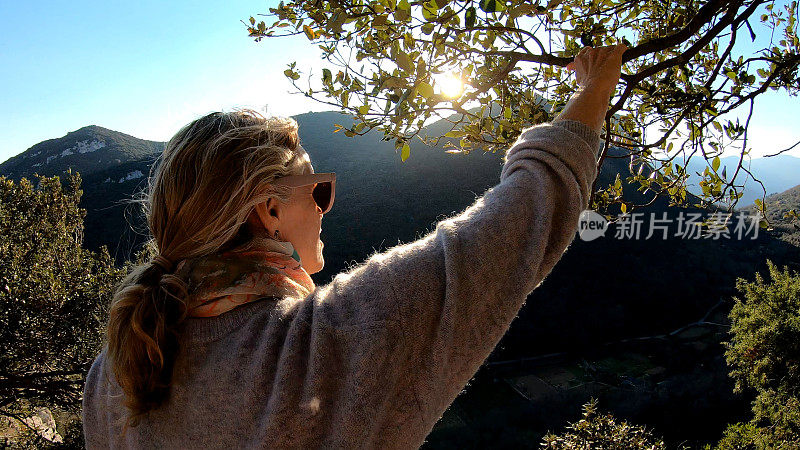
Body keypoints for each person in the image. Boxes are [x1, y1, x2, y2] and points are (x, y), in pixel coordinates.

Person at [82, 43, 628, 448]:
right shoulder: (325, 346)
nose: (326, 206)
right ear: (268, 210)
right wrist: (592, 94)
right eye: (317, 191)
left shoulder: (114, 372)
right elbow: (514, 226)